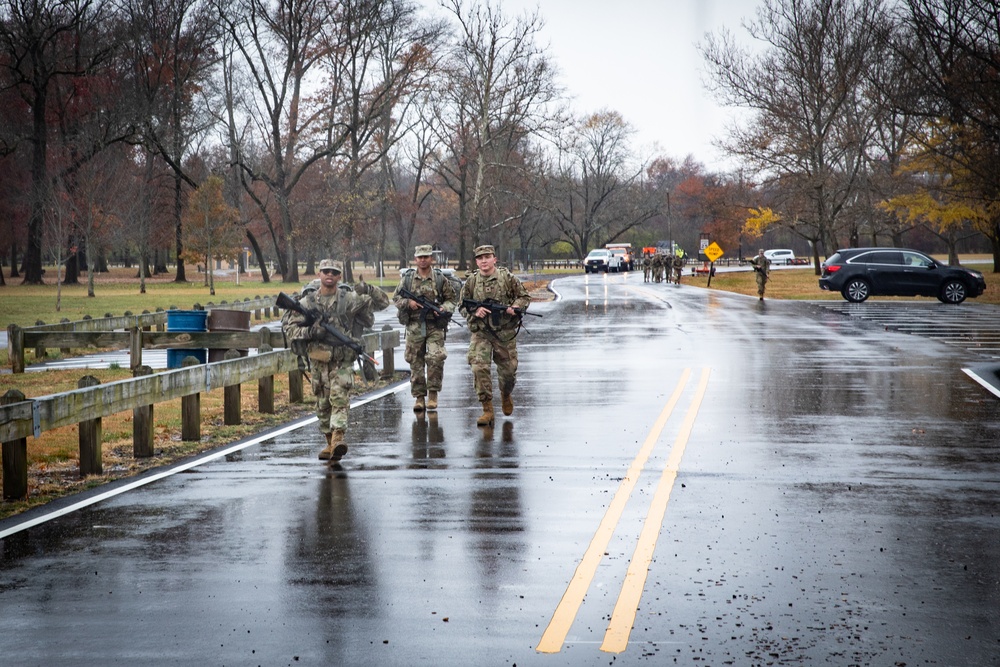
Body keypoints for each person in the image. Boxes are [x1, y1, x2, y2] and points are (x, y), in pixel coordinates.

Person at [283, 259, 389, 462]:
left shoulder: (348, 299)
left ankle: (339, 438)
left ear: (340, 276)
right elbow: (290, 329)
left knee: (339, 398)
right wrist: (312, 331)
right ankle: (330, 441)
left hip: (342, 360)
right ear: (319, 274)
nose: (329, 275)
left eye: (334, 272)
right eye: (325, 271)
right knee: (322, 405)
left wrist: (367, 288)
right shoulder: (308, 302)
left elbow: (382, 303)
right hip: (318, 361)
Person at [459, 245, 531, 427]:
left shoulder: (507, 278)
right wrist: (475, 311)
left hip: (504, 333)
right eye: (480, 258)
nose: (484, 261)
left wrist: (514, 307)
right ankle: (487, 409)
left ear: (494, 259)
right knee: (478, 368)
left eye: (487, 257)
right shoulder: (471, 282)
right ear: (476, 261)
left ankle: (506, 394)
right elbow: (461, 306)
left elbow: (524, 297)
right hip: (481, 333)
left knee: (508, 373)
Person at [393, 244, 458, 413]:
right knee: (415, 361)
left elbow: (452, 299)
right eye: (420, 257)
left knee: (436, 358)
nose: (423, 260)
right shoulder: (407, 279)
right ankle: (419, 397)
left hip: (434, 326)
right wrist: (409, 303)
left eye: (426, 257)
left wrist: (444, 309)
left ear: (431, 258)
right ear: (415, 259)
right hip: (414, 326)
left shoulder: (439, 278)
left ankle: (433, 394)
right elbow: (396, 299)